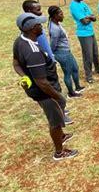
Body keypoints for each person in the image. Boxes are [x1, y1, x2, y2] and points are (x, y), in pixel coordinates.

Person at [13, 12, 78, 160]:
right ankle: (59, 152)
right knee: (55, 120)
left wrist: (24, 76)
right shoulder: (33, 51)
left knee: (57, 116)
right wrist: (58, 96)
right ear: (31, 29)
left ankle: (61, 136)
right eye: (38, 24)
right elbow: (42, 82)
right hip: (45, 92)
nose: (41, 26)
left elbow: (16, 64)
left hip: (42, 89)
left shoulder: (19, 41)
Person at [69, 0, 99, 83]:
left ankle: (98, 68)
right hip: (83, 34)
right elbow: (84, 21)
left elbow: (94, 17)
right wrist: (89, 17)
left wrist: (88, 17)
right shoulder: (73, 6)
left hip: (90, 32)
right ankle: (88, 75)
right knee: (88, 55)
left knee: (95, 53)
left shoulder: (83, 4)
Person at [48, 6, 85, 98]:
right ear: (54, 16)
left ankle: (77, 87)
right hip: (62, 53)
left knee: (75, 68)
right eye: (61, 14)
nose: (63, 16)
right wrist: (51, 55)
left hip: (66, 51)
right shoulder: (55, 29)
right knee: (68, 73)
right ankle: (71, 92)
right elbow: (53, 44)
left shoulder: (56, 23)